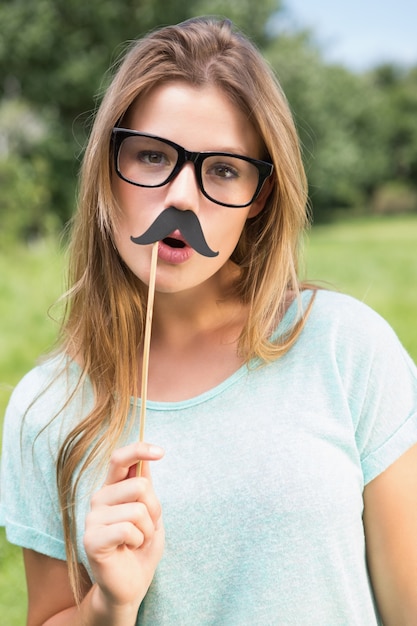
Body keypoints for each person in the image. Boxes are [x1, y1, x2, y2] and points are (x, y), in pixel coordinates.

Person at [1, 16, 417, 626]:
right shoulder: (46, 409)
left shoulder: (346, 347)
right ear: (105, 170)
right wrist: (107, 605)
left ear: (260, 197)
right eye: (151, 156)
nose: (181, 199)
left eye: (222, 170)